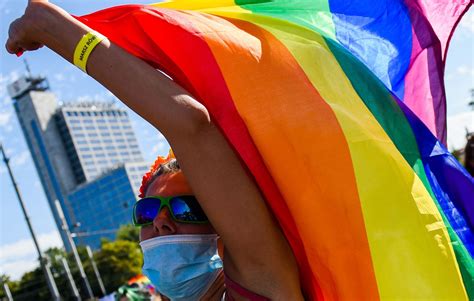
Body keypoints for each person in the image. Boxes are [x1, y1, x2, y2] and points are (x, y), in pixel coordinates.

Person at [6, 1, 304, 300]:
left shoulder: (264, 285)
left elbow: (192, 126)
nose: (159, 221)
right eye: (146, 212)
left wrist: (58, 31)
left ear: (225, 227)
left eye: (186, 209)